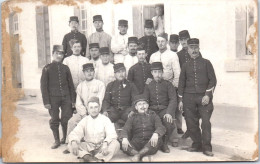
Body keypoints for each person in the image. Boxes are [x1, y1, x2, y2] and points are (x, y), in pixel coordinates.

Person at [178, 38, 217, 157]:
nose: (194, 50)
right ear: (188, 50)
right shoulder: (185, 65)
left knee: (205, 122)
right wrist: (180, 100)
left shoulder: (206, 63)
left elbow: (213, 81)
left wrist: (207, 95)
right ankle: (196, 144)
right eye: (191, 48)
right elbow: (181, 83)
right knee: (191, 122)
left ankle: (207, 147)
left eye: (196, 47)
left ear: (199, 48)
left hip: (203, 97)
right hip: (188, 97)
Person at [40, 45, 76, 149]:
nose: (59, 56)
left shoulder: (65, 68)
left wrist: (73, 100)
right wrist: (46, 101)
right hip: (53, 99)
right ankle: (56, 140)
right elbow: (43, 86)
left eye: (61, 54)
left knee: (66, 119)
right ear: (53, 54)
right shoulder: (47, 68)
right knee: (54, 119)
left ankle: (65, 138)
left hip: (66, 98)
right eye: (57, 53)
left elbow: (71, 85)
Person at [68, 97, 120, 162]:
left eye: (96, 107)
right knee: (70, 144)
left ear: (99, 108)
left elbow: (112, 133)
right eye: (91, 107)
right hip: (88, 147)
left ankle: (95, 158)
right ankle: (90, 158)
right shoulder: (85, 120)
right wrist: (73, 142)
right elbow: (75, 133)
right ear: (88, 109)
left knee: (116, 144)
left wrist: (106, 143)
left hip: (102, 147)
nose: (94, 110)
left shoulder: (105, 119)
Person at [65, 63, 106, 145]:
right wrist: (83, 114)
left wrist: (93, 112)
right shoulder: (80, 86)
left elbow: (100, 99)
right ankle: (70, 143)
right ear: (83, 73)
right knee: (71, 121)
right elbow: (78, 102)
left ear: (94, 72)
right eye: (87, 71)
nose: (89, 73)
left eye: (91, 71)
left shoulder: (100, 84)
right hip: (83, 112)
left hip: (96, 111)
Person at [143, 62, 178, 153]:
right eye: (155, 72)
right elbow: (145, 100)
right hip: (152, 110)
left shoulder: (168, 84)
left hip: (164, 110)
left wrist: (169, 113)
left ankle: (164, 144)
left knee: (168, 122)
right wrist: (146, 111)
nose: (157, 74)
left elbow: (173, 99)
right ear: (152, 73)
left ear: (162, 72)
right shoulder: (148, 85)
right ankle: (155, 142)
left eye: (159, 72)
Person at [120, 94, 166, 162]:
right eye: (140, 104)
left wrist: (156, 133)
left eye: (144, 104)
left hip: (150, 142)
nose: (142, 106)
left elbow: (160, 127)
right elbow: (125, 129)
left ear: (147, 106)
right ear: (136, 107)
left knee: (157, 140)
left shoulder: (153, 115)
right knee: (122, 142)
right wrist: (124, 138)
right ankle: (142, 155)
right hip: (136, 142)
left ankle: (137, 156)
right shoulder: (132, 117)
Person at [177, 30, 191, 138]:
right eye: (181, 40)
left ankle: (194, 129)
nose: (183, 41)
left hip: (194, 85)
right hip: (184, 85)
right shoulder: (178, 55)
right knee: (186, 109)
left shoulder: (194, 52)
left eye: (185, 39)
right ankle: (189, 130)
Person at [169, 34, 183, 134]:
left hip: (178, 83)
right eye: (172, 43)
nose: (174, 45)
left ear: (178, 44)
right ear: (169, 43)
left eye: (176, 43)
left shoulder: (180, 55)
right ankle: (171, 127)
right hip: (169, 84)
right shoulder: (168, 54)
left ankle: (179, 126)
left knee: (179, 106)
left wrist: (177, 84)